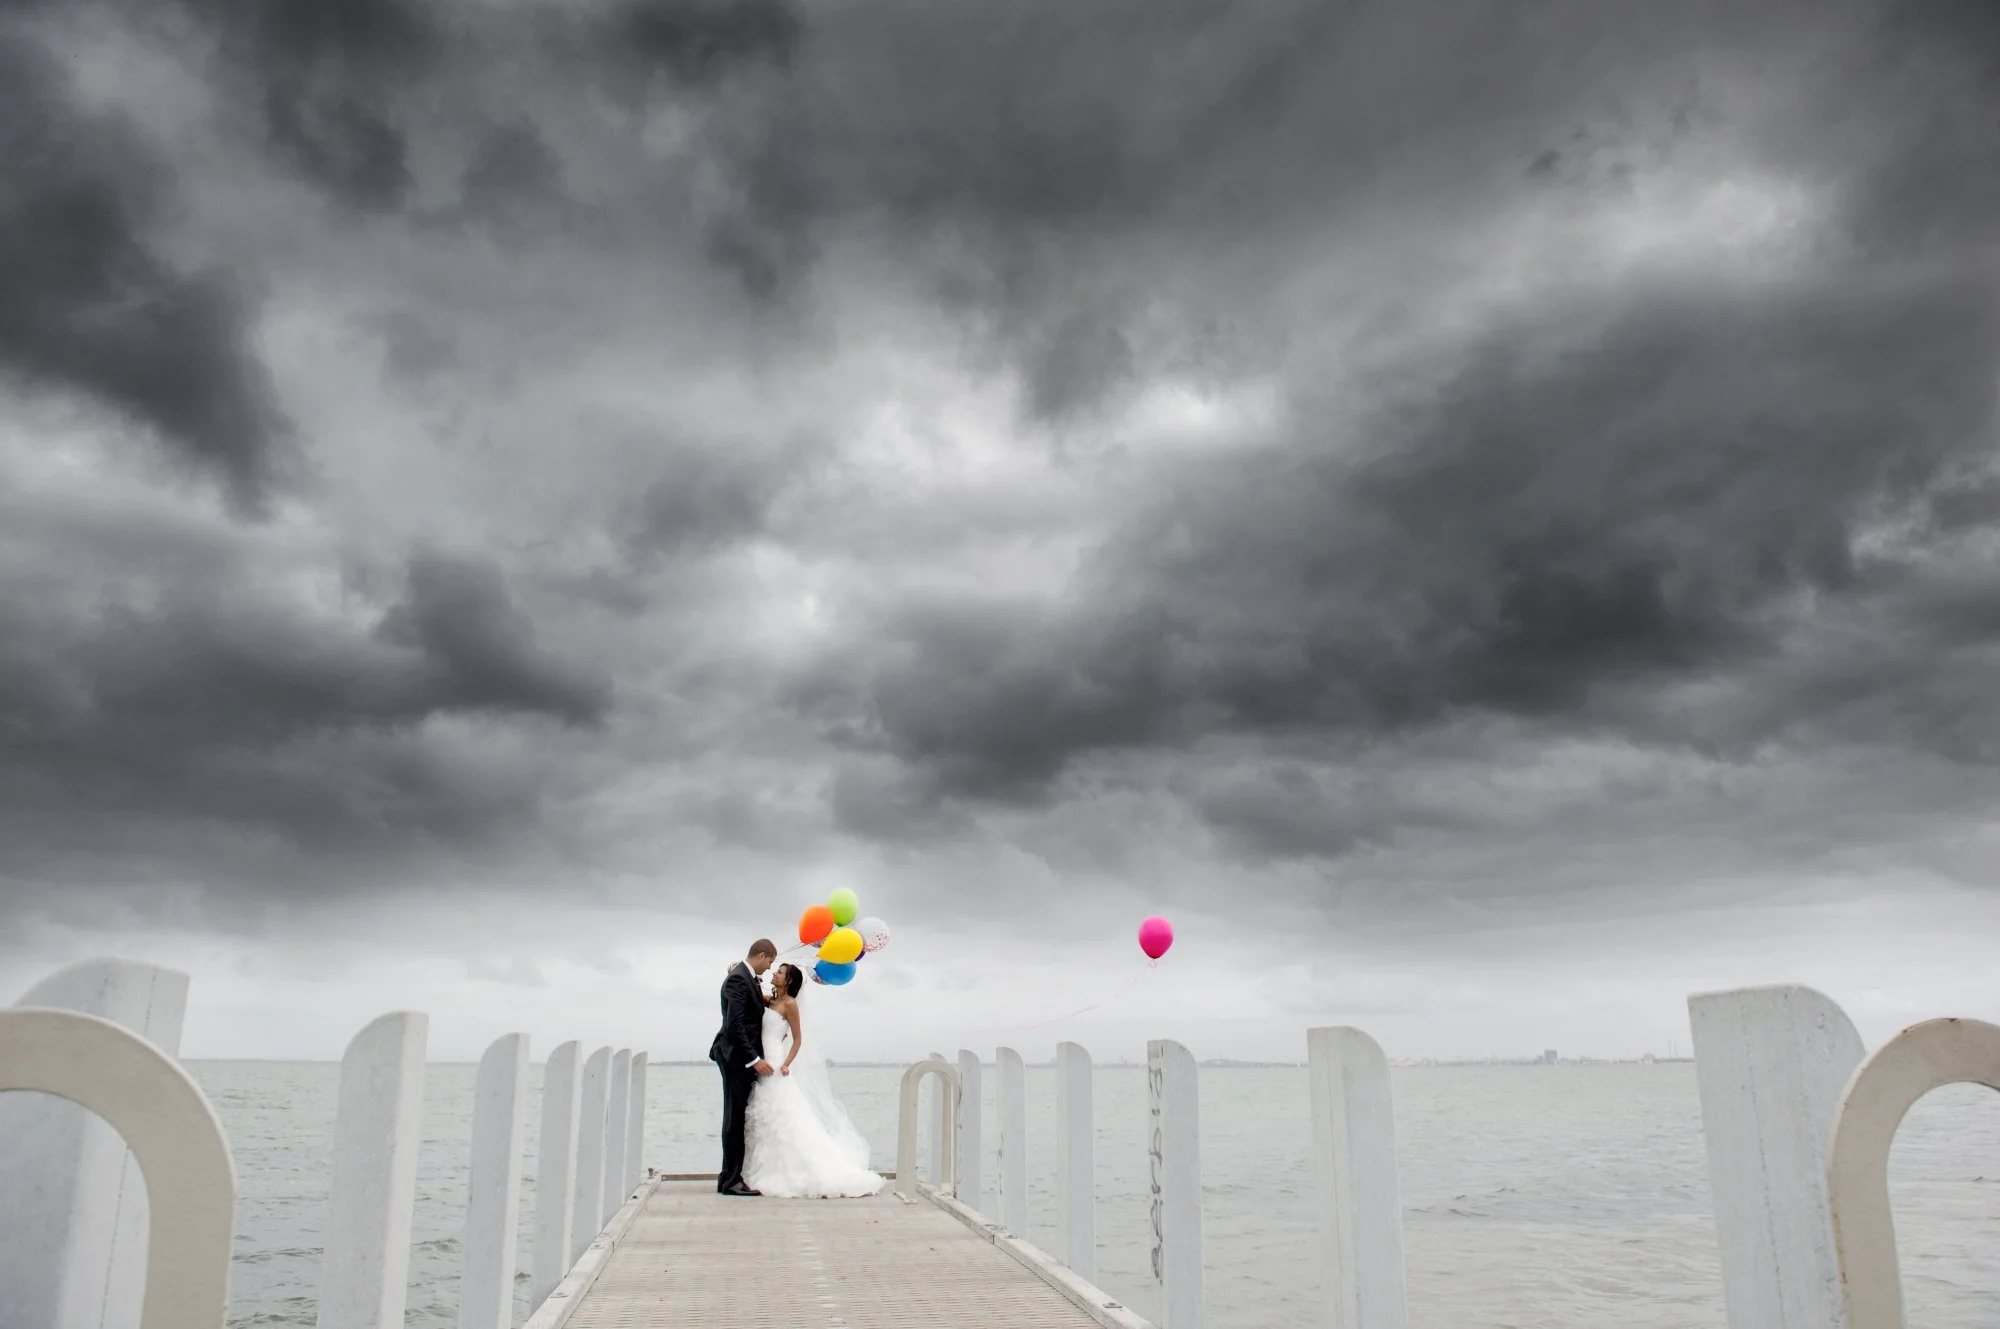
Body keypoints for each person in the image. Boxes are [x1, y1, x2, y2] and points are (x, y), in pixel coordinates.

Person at [741, 962, 885, 1198]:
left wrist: (786, 1063)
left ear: (787, 981)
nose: (775, 974)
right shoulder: (771, 1001)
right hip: (761, 1058)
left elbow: (798, 1039)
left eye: (779, 973)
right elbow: (751, 992)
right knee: (766, 1114)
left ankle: (798, 1170)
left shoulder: (789, 1005)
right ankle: (765, 1166)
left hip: (775, 1060)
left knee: (781, 1113)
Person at [709, 939, 778, 1196]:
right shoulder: (739, 979)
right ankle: (731, 1181)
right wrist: (754, 1060)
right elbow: (734, 1024)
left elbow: (748, 1009)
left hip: (737, 1056)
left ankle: (728, 1176)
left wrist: (764, 1000)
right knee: (734, 1119)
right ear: (761, 956)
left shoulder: (744, 977)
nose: (770, 968)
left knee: (736, 1117)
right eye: (770, 962)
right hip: (736, 1057)